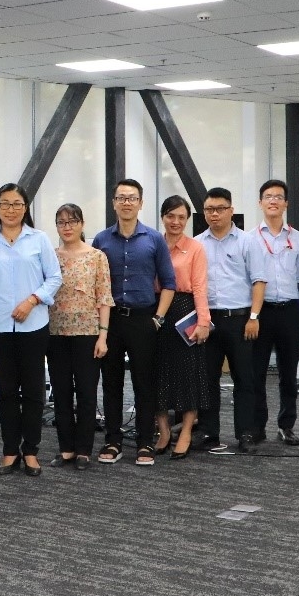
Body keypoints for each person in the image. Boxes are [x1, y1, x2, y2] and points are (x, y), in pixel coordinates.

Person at [92, 179, 175, 466]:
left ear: (140, 203)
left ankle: (144, 442)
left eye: (132, 198)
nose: (126, 202)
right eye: (121, 198)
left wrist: (158, 319)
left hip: (144, 320)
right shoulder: (101, 240)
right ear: (113, 203)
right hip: (111, 321)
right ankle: (113, 440)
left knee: (144, 383)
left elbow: (169, 283)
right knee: (111, 382)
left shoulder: (154, 239)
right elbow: (95, 284)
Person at [0, 183, 61, 477]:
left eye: (16, 204)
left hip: (34, 326)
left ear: (25, 208)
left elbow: (54, 277)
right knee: (6, 393)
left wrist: (32, 300)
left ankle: (31, 451)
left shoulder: (39, 239)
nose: (11, 210)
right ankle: (10, 450)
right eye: (5, 204)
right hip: (0, 328)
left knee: (33, 392)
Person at [196, 187, 268, 454]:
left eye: (220, 209)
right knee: (207, 379)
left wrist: (254, 317)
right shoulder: (197, 243)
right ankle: (208, 432)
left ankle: (246, 433)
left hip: (240, 320)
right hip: (208, 320)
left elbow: (259, 281)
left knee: (244, 379)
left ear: (231, 210)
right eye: (209, 210)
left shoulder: (247, 242)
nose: (214, 214)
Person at [47, 203, 111, 470]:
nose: (67, 227)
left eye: (72, 221)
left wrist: (103, 336)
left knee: (86, 392)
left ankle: (84, 450)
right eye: (61, 222)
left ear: (82, 224)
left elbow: (104, 298)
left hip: (88, 333)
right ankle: (66, 449)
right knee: (61, 393)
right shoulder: (50, 256)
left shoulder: (97, 256)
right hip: (55, 333)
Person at [249, 180, 299, 445]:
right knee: (257, 372)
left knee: (288, 373)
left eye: (278, 197)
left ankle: (287, 425)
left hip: (289, 312)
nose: (273, 200)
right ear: (260, 202)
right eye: (268, 196)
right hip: (261, 312)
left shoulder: (298, 239)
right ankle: (257, 426)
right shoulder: (250, 238)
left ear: (286, 204)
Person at [155, 196, 211, 460]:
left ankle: (186, 431)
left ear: (188, 219)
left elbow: (200, 287)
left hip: (184, 312)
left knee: (188, 375)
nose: (175, 222)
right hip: (156, 311)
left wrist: (203, 322)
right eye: (170, 216)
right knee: (157, 374)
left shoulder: (195, 248)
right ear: (162, 217)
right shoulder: (154, 243)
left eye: (181, 217)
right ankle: (164, 431)